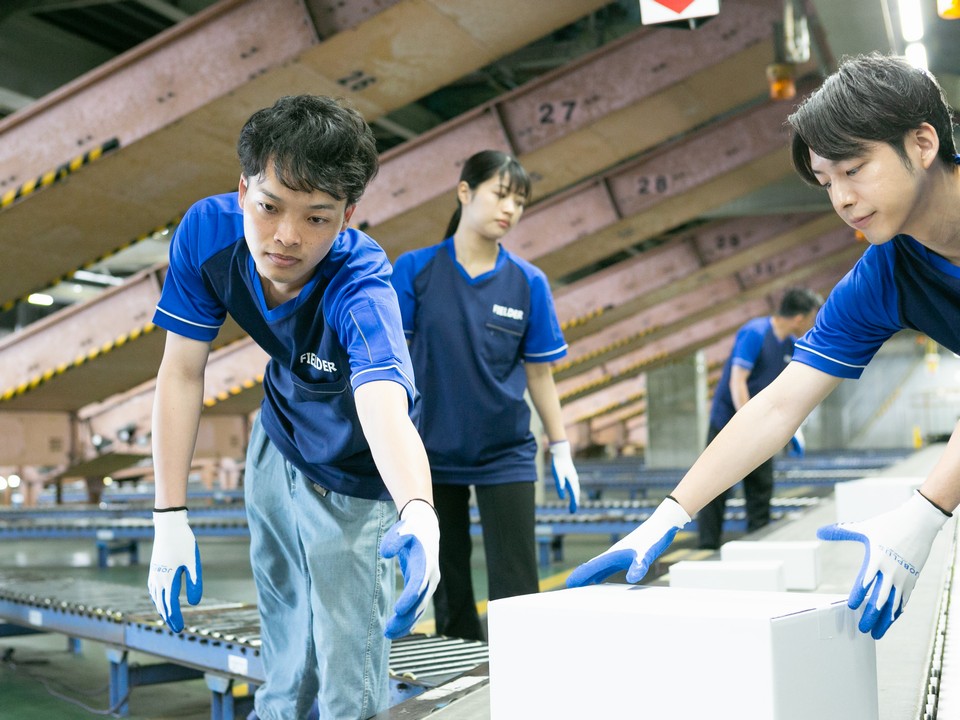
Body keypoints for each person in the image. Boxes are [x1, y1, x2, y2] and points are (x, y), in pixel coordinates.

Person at [568, 53, 960, 641]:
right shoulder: (884, 275)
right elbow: (778, 405)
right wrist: (667, 516)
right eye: (828, 182)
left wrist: (926, 510)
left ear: (923, 143)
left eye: (854, 169)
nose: (843, 199)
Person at [146, 95, 440, 720]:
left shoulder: (360, 284)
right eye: (269, 206)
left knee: (346, 657)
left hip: (358, 473)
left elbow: (384, 405)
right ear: (242, 188)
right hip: (277, 442)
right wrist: (168, 516)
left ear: (347, 217)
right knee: (284, 626)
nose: (286, 236)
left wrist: (418, 509)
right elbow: (180, 371)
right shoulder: (206, 233)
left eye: (317, 218)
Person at [390, 150, 579, 642]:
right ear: (464, 192)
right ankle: (462, 687)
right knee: (447, 582)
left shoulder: (528, 283)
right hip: (432, 452)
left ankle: (523, 680)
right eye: (500, 194)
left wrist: (560, 447)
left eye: (519, 201)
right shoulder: (414, 271)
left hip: (505, 452)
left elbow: (540, 376)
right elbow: (388, 363)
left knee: (517, 587)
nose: (510, 209)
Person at [697, 287, 822, 550]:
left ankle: (758, 541)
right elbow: (737, 380)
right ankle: (708, 546)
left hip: (761, 426)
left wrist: (792, 427)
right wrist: (747, 423)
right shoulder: (755, 333)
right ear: (799, 318)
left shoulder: (790, 344)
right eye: (812, 317)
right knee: (715, 486)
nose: (812, 323)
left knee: (761, 485)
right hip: (729, 422)